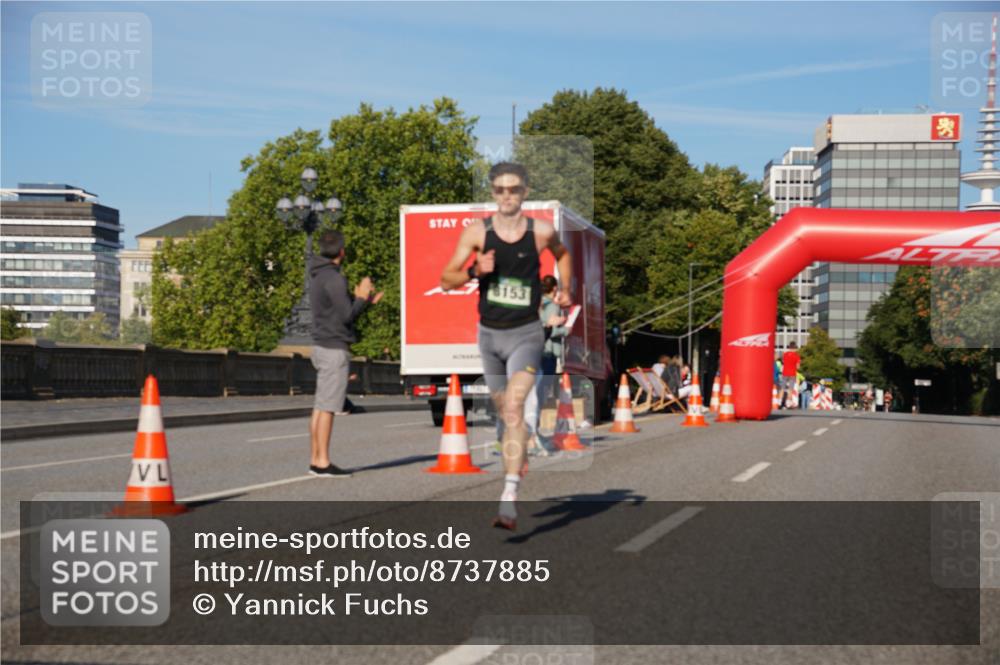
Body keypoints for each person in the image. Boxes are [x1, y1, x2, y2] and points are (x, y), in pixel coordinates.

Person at [440, 162, 572, 530]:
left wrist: (566, 288)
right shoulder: (476, 233)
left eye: (514, 189)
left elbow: (563, 255)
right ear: (493, 193)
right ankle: (520, 446)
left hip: (526, 333)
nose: (507, 196)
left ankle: (509, 496)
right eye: (500, 190)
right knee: (505, 413)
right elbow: (445, 279)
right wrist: (473, 271)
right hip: (489, 336)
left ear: (526, 191)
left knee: (513, 407)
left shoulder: (541, 232)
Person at [308, 229, 382, 478]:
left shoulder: (318, 275)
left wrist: (365, 301)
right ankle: (323, 462)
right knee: (329, 407)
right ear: (342, 251)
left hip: (320, 345)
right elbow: (346, 315)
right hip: (334, 348)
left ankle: (315, 459)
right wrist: (361, 297)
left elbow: (335, 307)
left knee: (319, 407)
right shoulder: (335, 278)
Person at [523, 275, 568, 456]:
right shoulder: (552, 305)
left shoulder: (535, 304)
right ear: (555, 289)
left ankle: (533, 432)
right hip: (547, 351)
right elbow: (553, 329)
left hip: (533, 351)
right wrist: (566, 328)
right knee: (539, 394)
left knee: (533, 394)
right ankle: (532, 434)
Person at [780, 342, 800, 409]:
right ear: (794, 348)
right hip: (792, 374)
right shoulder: (797, 356)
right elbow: (798, 367)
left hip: (784, 373)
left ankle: (779, 402)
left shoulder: (785, 354)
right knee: (790, 389)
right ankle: (788, 404)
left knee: (782, 388)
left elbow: (783, 362)